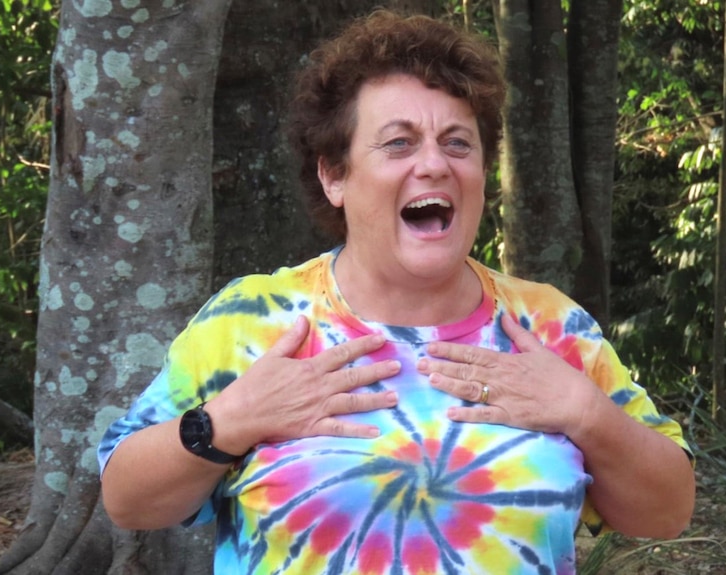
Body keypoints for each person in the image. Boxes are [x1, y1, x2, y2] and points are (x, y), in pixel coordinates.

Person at [98, 10, 695, 574]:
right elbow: (128, 499)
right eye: (399, 143)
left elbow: (666, 511)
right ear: (334, 175)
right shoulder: (253, 320)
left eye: (459, 143)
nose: (434, 164)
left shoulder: (550, 325)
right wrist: (230, 421)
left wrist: (586, 413)